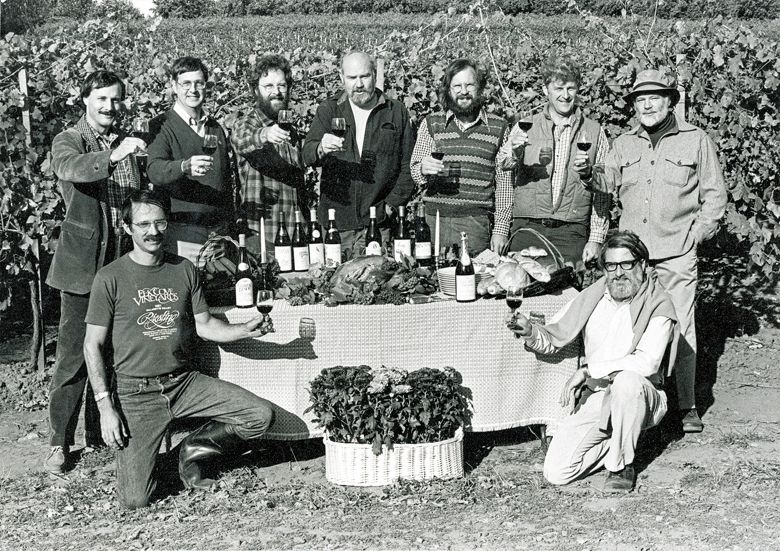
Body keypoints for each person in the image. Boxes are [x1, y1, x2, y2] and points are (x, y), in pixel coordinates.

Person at [83, 188, 275, 509]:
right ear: (127, 227)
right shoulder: (110, 278)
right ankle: (166, 465)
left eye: (159, 223)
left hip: (184, 383)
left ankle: (190, 450)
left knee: (259, 416)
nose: (153, 232)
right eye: (143, 224)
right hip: (137, 394)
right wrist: (105, 408)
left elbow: (206, 326)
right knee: (135, 500)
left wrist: (246, 328)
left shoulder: (184, 269)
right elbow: (92, 346)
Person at [594, 69, 728, 433]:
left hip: (676, 253)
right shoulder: (623, 143)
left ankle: (686, 404)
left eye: (655, 97)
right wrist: (588, 174)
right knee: (630, 328)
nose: (647, 104)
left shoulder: (695, 139)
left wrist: (698, 233)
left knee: (681, 327)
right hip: (633, 259)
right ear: (634, 106)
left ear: (670, 101)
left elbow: (715, 193)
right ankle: (636, 400)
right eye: (640, 99)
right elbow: (606, 183)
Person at [509, 231, 677, 492]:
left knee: (627, 381)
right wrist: (530, 331)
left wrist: (588, 370)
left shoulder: (659, 303)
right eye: (611, 266)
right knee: (557, 472)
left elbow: (648, 363)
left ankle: (622, 465)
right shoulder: (594, 295)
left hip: (641, 396)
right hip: (598, 398)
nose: (619, 273)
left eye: (627, 264)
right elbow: (555, 336)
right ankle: (624, 438)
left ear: (643, 265)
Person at [44, 70, 145, 474]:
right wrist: (114, 156)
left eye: (116, 99)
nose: (109, 107)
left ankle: (100, 434)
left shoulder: (127, 139)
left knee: (115, 352)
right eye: (101, 99)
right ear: (85, 100)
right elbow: (70, 168)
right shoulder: (70, 140)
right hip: (83, 268)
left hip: (123, 267)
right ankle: (58, 443)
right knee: (72, 357)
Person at [495, 56, 610, 266]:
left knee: (567, 294)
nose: (565, 96)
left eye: (571, 88)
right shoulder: (525, 126)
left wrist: (596, 238)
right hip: (527, 229)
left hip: (571, 232)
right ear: (546, 90)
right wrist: (501, 229)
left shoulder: (594, 132)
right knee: (522, 290)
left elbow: (603, 190)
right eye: (558, 88)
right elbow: (504, 173)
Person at [302, 51, 415, 257]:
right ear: (341, 78)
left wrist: (390, 207)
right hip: (337, 227)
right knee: (334, 285)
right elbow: (307, 154)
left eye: (364, 76)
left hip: (380, 226)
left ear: (374, 74)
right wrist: (321, 147)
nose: (359, 84)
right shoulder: (329, 110)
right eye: (352, 78)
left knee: (381, 284)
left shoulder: (395, 111)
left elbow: (409, 165)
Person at [410, 58, 512, 256]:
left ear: (480, 88)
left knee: (472, 281)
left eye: (469, 85)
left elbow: (504, 184)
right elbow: (415, 171)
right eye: (457, 85)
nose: (463, 91)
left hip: (475, 224)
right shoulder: (432, 123)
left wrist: (500, 229)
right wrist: (423, 168)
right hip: (434, 220)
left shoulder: (498, 128)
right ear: (448, 90)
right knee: (430, 280)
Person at [147, 56, 234, 263]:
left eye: (199, 83)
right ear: (174, 87)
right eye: (186, 83)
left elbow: (227, 182)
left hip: (218, 235)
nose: (193, 90)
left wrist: (227, 231)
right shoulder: (161, 126)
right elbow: (155, 170)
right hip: (182, 233)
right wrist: (184, 166)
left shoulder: (215, 128)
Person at [231, 54, 305, 254]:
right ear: (256, 90)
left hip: (294, 230)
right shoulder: (246, 123)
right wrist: (264, 134)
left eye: (281, 85)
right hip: (262, 235)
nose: (276, 92)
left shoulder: (292, 131)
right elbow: (241, 141)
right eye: (269, 86)